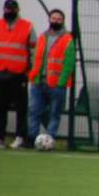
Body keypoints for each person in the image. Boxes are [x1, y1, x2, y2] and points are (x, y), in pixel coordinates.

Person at [0, 0, 37, 149]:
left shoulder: (27, 26)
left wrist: (30, 68)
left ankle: (20, 136)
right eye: (7, 9)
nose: (9, 11)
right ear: (4, 9)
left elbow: (33, 49)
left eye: (12, 9)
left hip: (18, 72)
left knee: (21, 107)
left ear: (17, 9)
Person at [27, 9, 76, 144]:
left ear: (63, 21)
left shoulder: (67, 39)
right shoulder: (43, 37)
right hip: (38, 82)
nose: (55, 21)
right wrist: (33, 75)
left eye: (59, 19)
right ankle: (32, 138)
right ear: (49, 19)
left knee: (55, 113)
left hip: (56, 84)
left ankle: (49, 138)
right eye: (53, 18)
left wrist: (61, 82)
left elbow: (69, 63)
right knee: (34, 111)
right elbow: (36, 57)